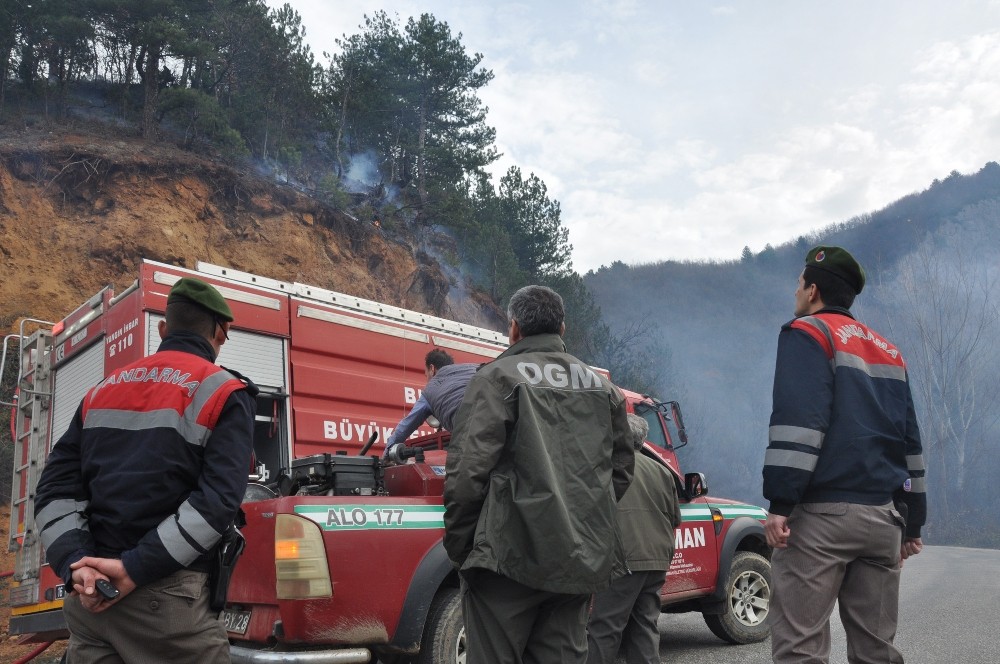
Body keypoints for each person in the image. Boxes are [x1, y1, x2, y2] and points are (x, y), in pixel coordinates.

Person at [34, 277, 257, 664]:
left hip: (90, 603)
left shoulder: (100, 391)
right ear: (221, 333)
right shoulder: (224, 392)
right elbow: (216, 504)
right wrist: (134, 569)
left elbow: (53, 492)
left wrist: (76, 564)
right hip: (167, 609)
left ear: (163, 329)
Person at [443, 284, 635, 664]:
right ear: (562, 329)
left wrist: (464, 550)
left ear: (514, 328)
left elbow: (467, 475)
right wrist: (584, 526)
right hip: (576, 561)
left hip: (505, 561)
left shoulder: (496, 378)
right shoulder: (604, 389)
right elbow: (621, 471)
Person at [763, 246, 927, 664]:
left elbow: (799, 422)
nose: (795, 291)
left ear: (813, 290)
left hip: (822, 519)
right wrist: (913, 522)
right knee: (877, 652)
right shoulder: (889, 351)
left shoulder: (808, 332)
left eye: (799, 283)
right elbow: (910, 441)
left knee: (800, 649)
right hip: (884, 520)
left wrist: (780, 502)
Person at [587, 413, 682, 664]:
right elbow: (675, 518)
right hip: (657, 560)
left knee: (605, 628)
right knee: (645, 625)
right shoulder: (663, 472)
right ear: (642, 440)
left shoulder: (608, 467)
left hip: (623, 558)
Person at [383, 349, 476, 455]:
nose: (427, 380)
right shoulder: (473, 368)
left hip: (473, 435)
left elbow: (405, 427)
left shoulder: (430, 391)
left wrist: (387, 453)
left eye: (426, 375)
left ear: (432, 369)